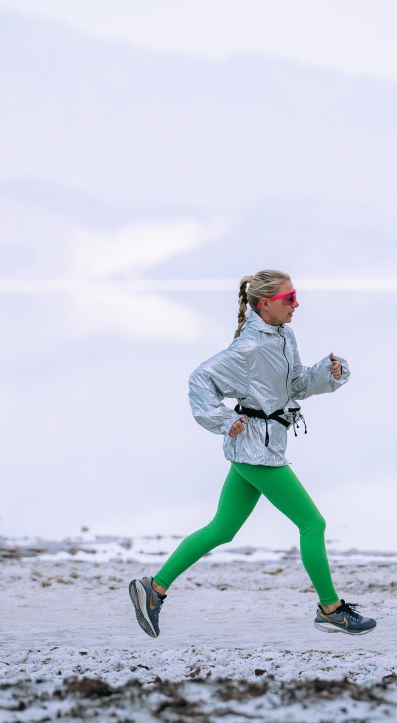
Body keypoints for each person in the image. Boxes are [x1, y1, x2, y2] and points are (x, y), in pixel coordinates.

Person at [128, 269, 376, 638]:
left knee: (222, 529)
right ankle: (331, 609)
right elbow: (200, 379)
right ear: (263, 304)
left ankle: (154, 588)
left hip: (260, 445)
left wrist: (329, 372)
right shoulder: (249, 348)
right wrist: (223, 420)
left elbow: (295, 385)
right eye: (288, 299)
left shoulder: (283, 335)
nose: (296, 304)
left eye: (295, 296)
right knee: (313, 524)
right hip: (256, 449)